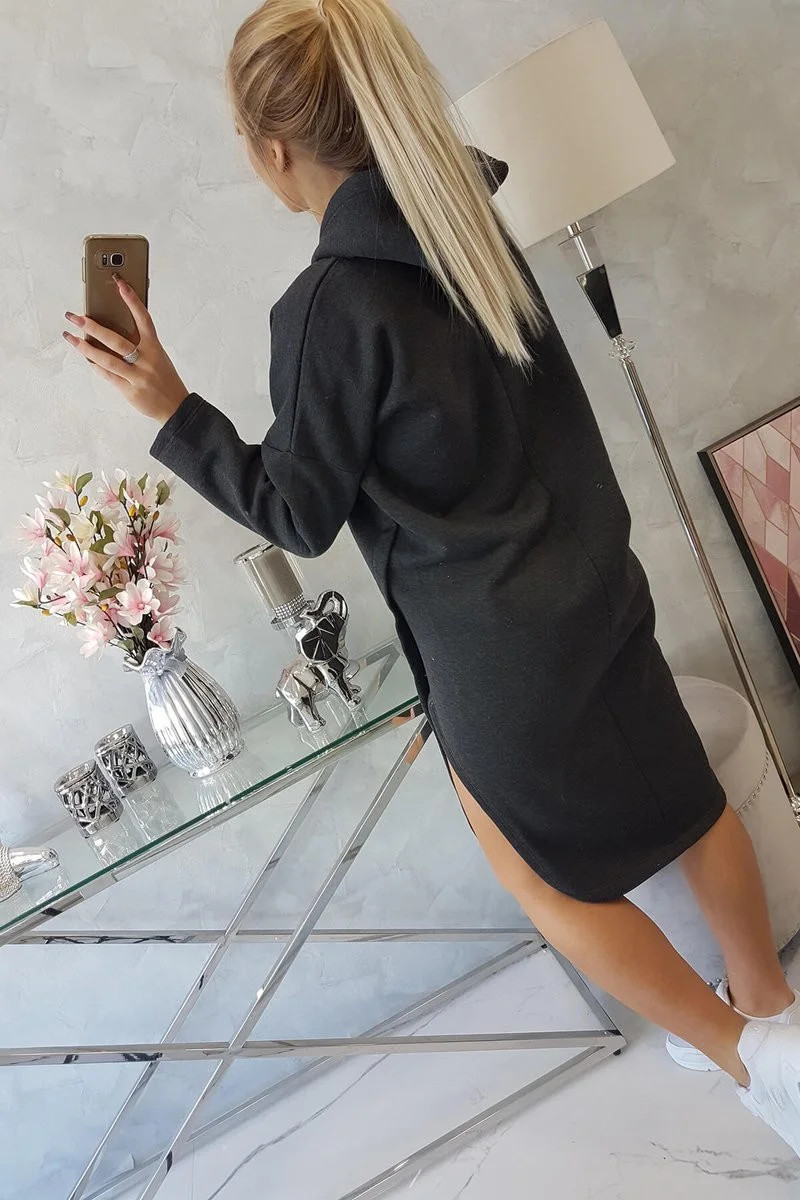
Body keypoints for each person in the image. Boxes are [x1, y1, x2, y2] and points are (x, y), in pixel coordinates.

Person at [63, 0, 800, 1154]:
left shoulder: (326, 308)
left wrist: (172, 408)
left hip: (495, 653)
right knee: (683, 801)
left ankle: (747, 1059)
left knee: (546, 881)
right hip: (593, 589)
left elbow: (297, 513)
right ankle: (771, 1009)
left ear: (272, 149)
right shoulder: (465, 220)